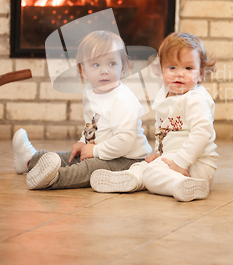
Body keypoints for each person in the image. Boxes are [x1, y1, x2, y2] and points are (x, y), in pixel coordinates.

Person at [12, 30, 151, 190]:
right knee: (69, 157)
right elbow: (92, 127)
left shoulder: (123, 99)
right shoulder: (90, 94)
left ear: (123, 68)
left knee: (88, 167)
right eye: (96, 64)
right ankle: (30, 160)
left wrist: (96, 150)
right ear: (83, 70)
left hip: (128, 159)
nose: (104, 70)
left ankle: (54, 179)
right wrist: (83, 142)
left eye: (112, 63)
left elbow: (126, 141)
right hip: (101, 150)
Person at [90, 32, 218, 202]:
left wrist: (180, 163)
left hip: (196, 164)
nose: (179, 74)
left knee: (153, 173)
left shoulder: (195, 99)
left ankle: (182, 185)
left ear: (200, 73)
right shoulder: (165, 95)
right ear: (161, 70)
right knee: (143, 166)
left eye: (188, 68)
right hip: (173, 157)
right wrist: (158, 152)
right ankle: (129, 179)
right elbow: (165, 132)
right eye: (172, 67)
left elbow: (202, 134)